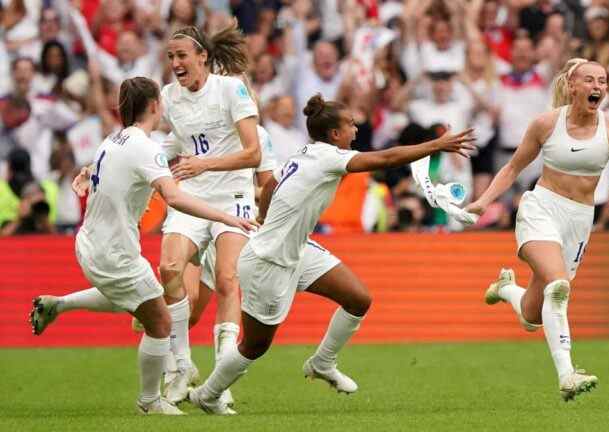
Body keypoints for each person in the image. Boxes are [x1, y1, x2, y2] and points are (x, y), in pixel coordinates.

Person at [187, 94, 475, 415]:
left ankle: (323, 362)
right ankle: (207, 394)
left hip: (298, 250)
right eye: (350, 124)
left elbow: (270, 186)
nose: (356, 129)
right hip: (269, 262)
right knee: (254, 346)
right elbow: (384, 159)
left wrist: (266, 218)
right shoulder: (328, 157)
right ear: (335, 134)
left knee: (358, 299)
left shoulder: (305, 153)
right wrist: (436, 145)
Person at [27, 77, 256, 415]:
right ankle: (151, 399)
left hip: (90, 244)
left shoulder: (113, 140)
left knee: (137, 298)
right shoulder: (144, 147)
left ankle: (59, 305)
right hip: (114, 254)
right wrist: (227, 217)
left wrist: (89, 172)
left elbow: (120, 175)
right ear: (154, 106)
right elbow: (175, 196)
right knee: (160, 322)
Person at [464, 58, 609, 402]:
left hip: (580, 220)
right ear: (572, 86)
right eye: (589, 80)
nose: (597, 86)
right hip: (540, 209)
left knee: (532, 316)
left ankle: (507, 289)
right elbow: (512, 168)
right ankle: (567, 374)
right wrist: (483, 201)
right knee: (558, 285)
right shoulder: (546, 124)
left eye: (603, 81)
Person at [157, 22, 264, 404]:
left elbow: (254, 153)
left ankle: (220, 377)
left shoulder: (231, 88)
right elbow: (175, 141)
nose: (175, 63)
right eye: (171, 57)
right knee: (169, 268)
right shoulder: (169, 97)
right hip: (193, 196)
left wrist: (205, 164)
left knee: (227, 278)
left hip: (232, 193)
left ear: (202, 56)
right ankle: (182, 364)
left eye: (182, 55)